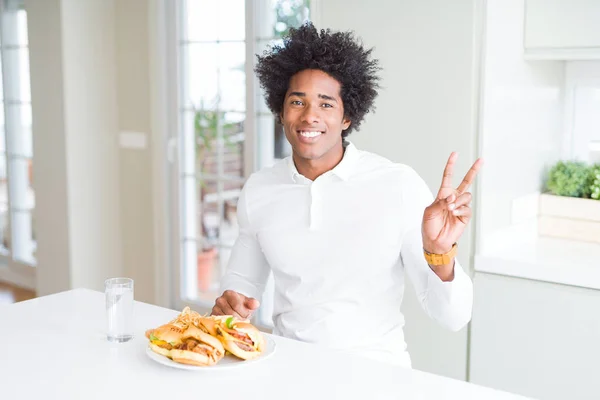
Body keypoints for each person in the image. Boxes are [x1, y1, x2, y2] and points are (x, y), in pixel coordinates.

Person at [210, 22, 483, 368]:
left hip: (377, 377)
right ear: (281, 111)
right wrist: (230, 306)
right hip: (288, 372)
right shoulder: (260, 189)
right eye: (297, 101)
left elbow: (453, 318)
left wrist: (440, 255)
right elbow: (241, 284)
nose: (310, 116)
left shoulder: (397, 185)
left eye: (326, 104)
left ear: (347, 116)